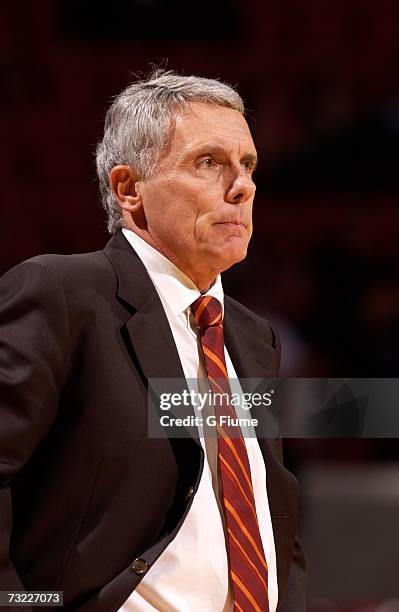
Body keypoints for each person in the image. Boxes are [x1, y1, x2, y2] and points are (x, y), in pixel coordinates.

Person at [0, 70, 305, 611]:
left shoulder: (255, 338)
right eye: (209, 162)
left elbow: (272, 514)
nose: (243, 186)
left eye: (249, 165)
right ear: (129, 189)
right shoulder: (63, 295)